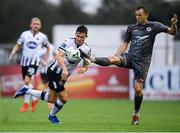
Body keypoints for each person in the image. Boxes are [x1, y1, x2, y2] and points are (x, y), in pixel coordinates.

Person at [81, 6, 178, 125]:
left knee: (138, 89)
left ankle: (136, 114)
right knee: (113, 59)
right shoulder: (131, 28)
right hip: (130, 57)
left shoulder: (154, 26)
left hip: (142, 63)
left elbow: (172, 32)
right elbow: (124, 44)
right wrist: (117, 55)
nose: (138, 17)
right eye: (136, 15)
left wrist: (173, 24)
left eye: (140, 15)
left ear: (146, 15)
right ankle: (91, 59)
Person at [13, 25, 91, 124]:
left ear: (86, 37)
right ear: (75, 34)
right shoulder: (68, 42)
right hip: (54, 71)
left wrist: (84, 69)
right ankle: (52, 116)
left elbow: (87, 62)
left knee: (51, 99)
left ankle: (26, 90)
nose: (79, 38)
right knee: (64, 97)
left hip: (63, 76)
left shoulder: (87, 49)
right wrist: (64, 69)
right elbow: (58, 56)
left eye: (82, 37)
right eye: (78, 36)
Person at [9, 17, 50, 112]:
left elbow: (48, 48)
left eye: (38, 24)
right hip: (24, 62)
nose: (36, 25)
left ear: (40, 26)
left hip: (34, 63)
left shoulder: (43, 37)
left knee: (27, 81)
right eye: (34, 24)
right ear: (31, 25)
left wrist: (45, 60)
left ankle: (25, 104)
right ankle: (34, 100)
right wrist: (13, 52)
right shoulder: (24, 34)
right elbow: (18, 45)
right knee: (27, 83)